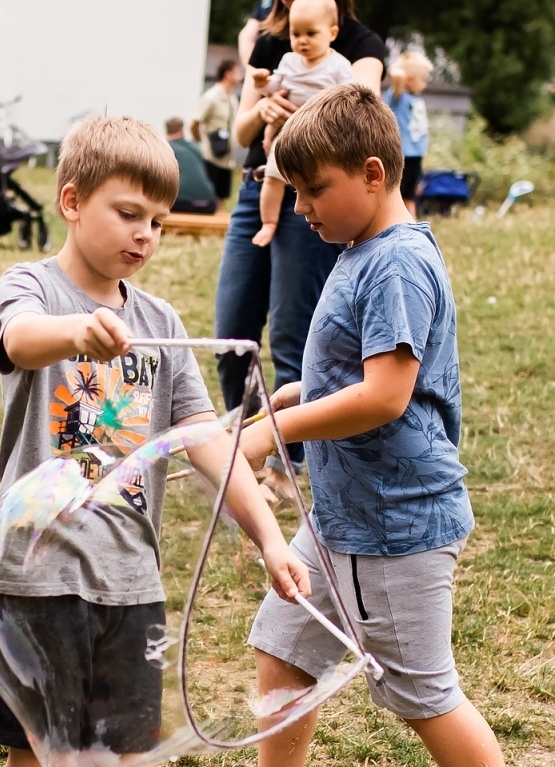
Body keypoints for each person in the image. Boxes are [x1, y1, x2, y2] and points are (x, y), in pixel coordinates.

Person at [163, 84, 555, 767]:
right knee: (283, 645)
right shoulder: (355, 249)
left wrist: (273, 441)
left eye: (313, 190)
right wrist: (278, 409)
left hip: (396, 526)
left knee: (425, 693)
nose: (300, 208)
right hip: (340, 516)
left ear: (373, 174)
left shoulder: (397, 262)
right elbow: (345, 378)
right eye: (294, 193)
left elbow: (385, 396)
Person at [0, 114, 307, 767]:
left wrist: (269, 540)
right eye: (128, 213)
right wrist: (79, 331)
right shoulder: (30, 285)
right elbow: (23, 340)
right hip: (41, 573)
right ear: (72, 202)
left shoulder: (163, 325)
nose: (145, 235)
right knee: (45, 761)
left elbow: (206, 446)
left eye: (159, 220)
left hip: (126, 579)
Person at [214, 0, 382, 485]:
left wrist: (310, 109)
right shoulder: (273, 44)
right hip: (256, 185)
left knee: (291, 332)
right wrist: (264, 106)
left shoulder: (359, 46)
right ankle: (246, 453)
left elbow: (361, 107)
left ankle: (289, 465)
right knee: (231, 332)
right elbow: (241, 128)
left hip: (305, 189)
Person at [249, 0, 353, 248]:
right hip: (287, 135)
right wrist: (262, 83)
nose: (302, 40)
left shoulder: (338, 66)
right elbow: (274, 89)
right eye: (296, 34)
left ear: (332, 33)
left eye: (311, 33)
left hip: (322, 139)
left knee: (315, 185)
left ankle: (340, 227)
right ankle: (269, 223)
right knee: (273, 178)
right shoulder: (288, 61)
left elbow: (351, 97)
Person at [386, 50, 431, 216]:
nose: (425, 84)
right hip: (402, 155)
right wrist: (400, 73)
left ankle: (413, 227)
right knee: (398, 195)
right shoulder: (398, 97)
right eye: (423, 79)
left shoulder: (416, 99)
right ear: (410, 78)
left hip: (415, 156)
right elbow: (397, 79)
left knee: (411, 195)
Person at [195, 57, 242, 201]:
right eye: (237, 72)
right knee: (207, 198)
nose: (240, 76)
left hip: (227, 158)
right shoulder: (211, 97)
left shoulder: (233, 98)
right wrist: (202, 142)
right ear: (228, 74)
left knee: (223, 197)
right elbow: (195, 122)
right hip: (210, 157)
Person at [165, 117, 217, 214]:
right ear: (181, 130)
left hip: (181, 203)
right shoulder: (196, 147)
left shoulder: (166, 147)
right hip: (209, 204)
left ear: (167, 130)